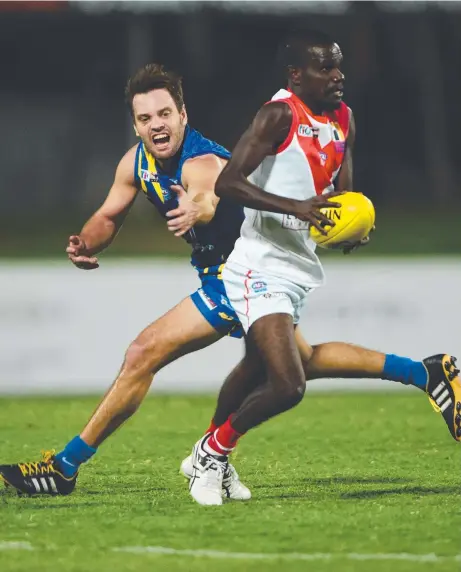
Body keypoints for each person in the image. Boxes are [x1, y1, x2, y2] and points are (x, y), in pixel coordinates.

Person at [187, 29, 461, 506]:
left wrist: (351, 226)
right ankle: (212, 453)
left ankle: (426, 372)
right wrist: (294, 207)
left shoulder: (343, 118)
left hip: (296, 266)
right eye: (325, 68)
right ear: (296, 75)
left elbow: (340, 195)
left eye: (339, 65)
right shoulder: (278, 115)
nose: (338, 75)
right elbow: (228, 183)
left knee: (263, 365)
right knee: (289, 384)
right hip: (257, 266)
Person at [0, 63, 253, 499]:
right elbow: (108, 215)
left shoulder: (201, 160)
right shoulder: (136, 161)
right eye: (145, 118)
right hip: (226, 276)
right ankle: (414, 372)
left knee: (142, 352)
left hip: (245, 277)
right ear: (136, 125)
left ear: (183, 115)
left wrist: (198, 208)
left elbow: (206, 194)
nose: (156, 124)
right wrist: (86, 242)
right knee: (298, 369)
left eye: (164, 113)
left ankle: (63, 468)